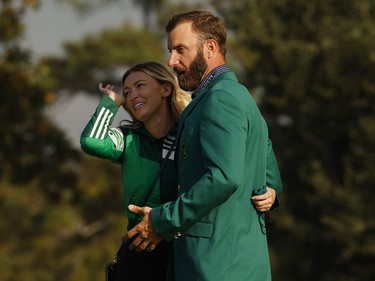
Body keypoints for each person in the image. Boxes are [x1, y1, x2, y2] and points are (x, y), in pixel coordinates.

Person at [126, 10, 283, 281]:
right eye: (170, 50)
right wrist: (271, 192)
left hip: (215, 266)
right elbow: (267, 172)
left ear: (210, 47)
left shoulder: (220, 99)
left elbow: (223, 177)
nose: (171, 60)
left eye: (180, 50)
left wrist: (162, 220)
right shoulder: (239, 96)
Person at [80, 62, 191, 281]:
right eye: (128, 92)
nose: (132, 95)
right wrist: (112, 102)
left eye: (140, 86)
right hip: (141, 253)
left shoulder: (190, 133)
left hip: (185, 251)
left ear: (166, 89)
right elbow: (90, 141)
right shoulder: (128, 139)